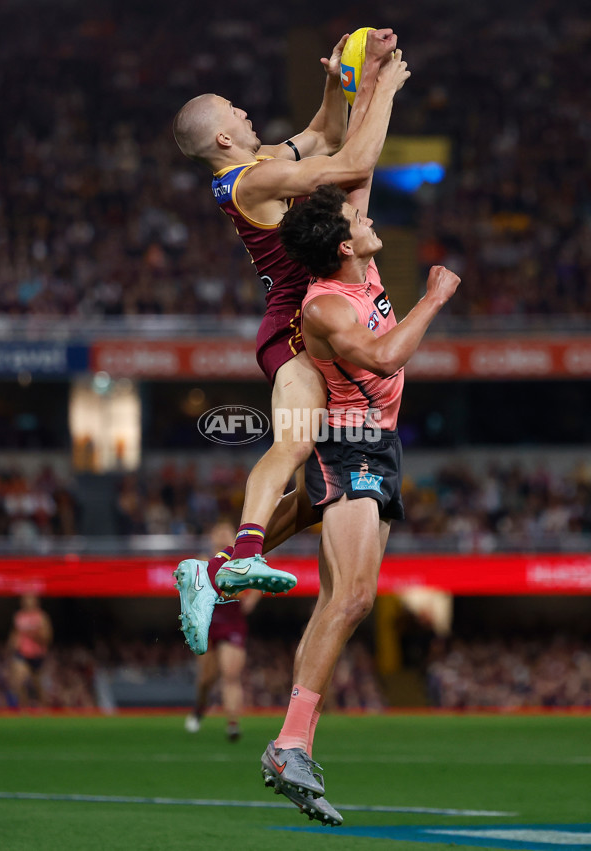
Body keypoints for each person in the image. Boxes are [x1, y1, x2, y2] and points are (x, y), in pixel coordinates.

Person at [172, 30, 406, 658]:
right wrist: (384, 87)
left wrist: (338, 82)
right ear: (223, 138)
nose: (247, 113)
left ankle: (217, 569)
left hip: (304, 320)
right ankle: (245, 549)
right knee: (298, 444)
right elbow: (352, 164)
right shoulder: (256, 179)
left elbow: (325, 135)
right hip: (296, 330)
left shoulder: (255, 168)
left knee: (315, 489)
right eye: (236, 111)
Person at [259, 175, 461, 822]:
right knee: (350, 596)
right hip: (347, 443)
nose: (369, 218)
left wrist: (371, 80)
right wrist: (432, 300)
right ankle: (288, 741)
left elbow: (362, 167)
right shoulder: (327, 306)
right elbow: (380, 357)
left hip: (379, 447)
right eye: (357, 217)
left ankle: (294, 744)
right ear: (344, 245)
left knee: (345, 598)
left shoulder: (360, 261)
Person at [184, 520, 261, 741]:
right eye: (217, 532)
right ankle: (200, 708)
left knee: (230, 674)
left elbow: (258, 580)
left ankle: (233, 724)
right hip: (208, 622)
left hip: (232, 621)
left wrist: (251, 600)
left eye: (226, 533)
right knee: (206, 678)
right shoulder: (201, 561)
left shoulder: (243, 561)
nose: (221, 536)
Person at [9, 593, 53, 708]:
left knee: (39, 685)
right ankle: (23, 710)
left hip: (38, 655)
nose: (27, 602)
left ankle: (45, 710)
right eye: (25, 600)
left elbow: (47, 637)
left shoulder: (41, 617)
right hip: (22, 653)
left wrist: (33, 634)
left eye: (29, 599)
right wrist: (12, 644)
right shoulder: (19, 616)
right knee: (19, 680)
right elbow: (15, 633)